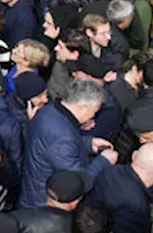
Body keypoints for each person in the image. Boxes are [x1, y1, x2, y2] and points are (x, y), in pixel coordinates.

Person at [19, 78, 117, 209]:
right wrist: (104, 161)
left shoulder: (51, 110)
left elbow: (52, 145)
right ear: (83, 107)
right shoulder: (62, 137)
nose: (92, 117)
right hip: (45, 204)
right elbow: (76, 181)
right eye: (94, 112)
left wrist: (89, 143)